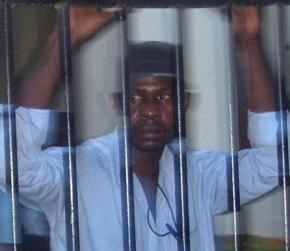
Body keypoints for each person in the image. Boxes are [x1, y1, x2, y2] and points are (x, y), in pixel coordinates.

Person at [0, 6, 280, 251]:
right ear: (118, 103)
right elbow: (13, 164)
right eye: (136, 97)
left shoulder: (199, 175)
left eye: (164, 97)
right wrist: (62, 41)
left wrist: (250, 45)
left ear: (184, 103)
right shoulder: (76, 172)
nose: (149, 110)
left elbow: (272, 162)